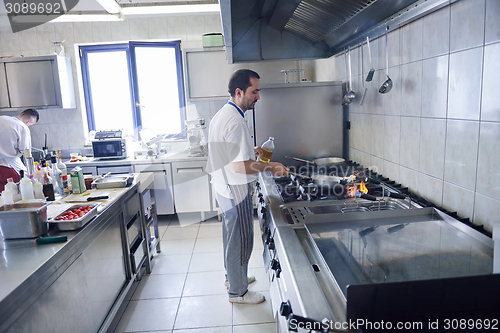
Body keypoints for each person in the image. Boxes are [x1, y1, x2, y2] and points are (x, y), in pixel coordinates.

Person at [206, 69, 288, 304]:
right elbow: (241, 167)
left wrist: (248, 153)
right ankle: (238, 292)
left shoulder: (225, 113)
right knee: (241, 240)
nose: (258, 97)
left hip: (223, 186)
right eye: (255, 92)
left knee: (231, 237)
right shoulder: (235, 119)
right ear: (239, 91)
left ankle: (232, 278)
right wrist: (271, 166)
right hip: (235, 188)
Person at [0, 109, 39, 192]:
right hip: (10, 167)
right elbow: (25, 151)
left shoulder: (2, 118)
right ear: (29, 121)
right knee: (20, 194)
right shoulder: (22, 127)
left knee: (3, 199)